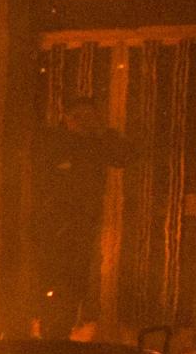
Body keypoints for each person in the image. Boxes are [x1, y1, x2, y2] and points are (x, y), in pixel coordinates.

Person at [30, 96, 132, 336]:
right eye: (79, 117)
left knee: (74, 285)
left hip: (81, 228)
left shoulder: (97, 142)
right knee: (52, 285)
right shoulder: (51, 140)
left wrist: (101, 132)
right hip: (50, 228)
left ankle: (60, 336)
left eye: (90, 117)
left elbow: (125, 156)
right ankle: (48, 336)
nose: (84, 123)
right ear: (67, 117)